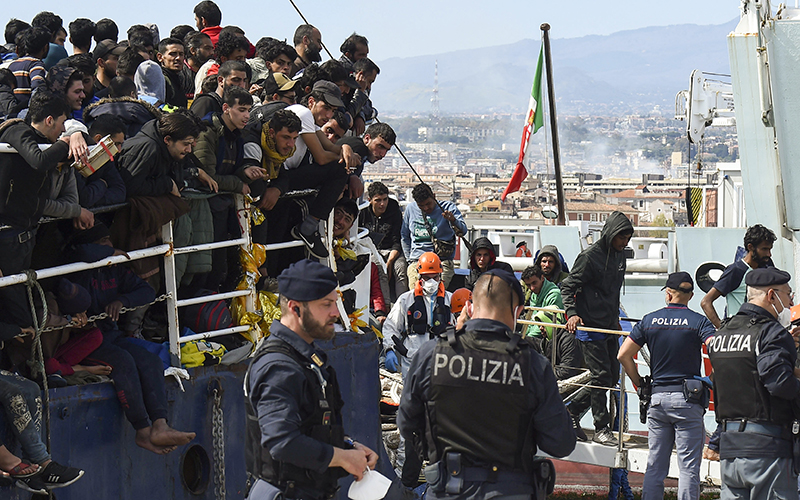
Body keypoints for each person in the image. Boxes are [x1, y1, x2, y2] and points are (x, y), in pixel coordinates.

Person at [397, 269, 576, 500]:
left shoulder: (431, 355)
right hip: (511, 490)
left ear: (469, 308)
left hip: (447, 489)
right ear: (517, 311)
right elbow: (560, 444)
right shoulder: (533, 366)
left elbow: (406, 424)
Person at [244, 259, 378, 500]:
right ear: (295, 308)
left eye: (335, 303)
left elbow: (308, 426)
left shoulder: (306, 359)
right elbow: (281, 441)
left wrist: (347, 447)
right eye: (326, 305)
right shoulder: (278, 368)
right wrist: (343, 458)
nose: (336, 313)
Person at [617, 271, 715, 499]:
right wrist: (711, 380)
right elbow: (716, 349)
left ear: (669, 294)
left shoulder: (649, 320)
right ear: (690, 295)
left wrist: (639, 382)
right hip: (688, 401)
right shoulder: (699, 322)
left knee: (655, 467)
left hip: (658, 400)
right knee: (688, 468)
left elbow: (623, 354)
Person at [707, 267, 800, 500]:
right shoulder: (772, 334)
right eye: (788, 295)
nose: (790, 303)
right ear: (771, 296)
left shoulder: (722, 334)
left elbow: (730, 383)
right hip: (768, 451)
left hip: (731, 451)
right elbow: (779, 383)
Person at [561, 211, 633, 445]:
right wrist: (572, 313)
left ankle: (571, 409)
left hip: (610, 325)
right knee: (601, 375)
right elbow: (567, 286)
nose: (625, 243)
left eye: (628, 238)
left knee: (611, 377)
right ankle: (601, 427)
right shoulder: (589, 257)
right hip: (590, 327)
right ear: (611, 234)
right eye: (622, 238)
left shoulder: (620, 257)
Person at [382, 252, 454, 378]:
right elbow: (391, 327)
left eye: (435, 277)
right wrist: (389, 349)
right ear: (419, 276)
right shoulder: (406, 299)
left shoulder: (451, 299)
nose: (431, 281)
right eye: (426, 278)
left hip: (443, 360)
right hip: (412, 359)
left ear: (440, 275)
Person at [701, 224, 776, 329]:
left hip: (759, 334)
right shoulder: (736, 271)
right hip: (739, 335)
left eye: (770, 249)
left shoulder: (766, 270)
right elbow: (706, 302)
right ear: (750, 247)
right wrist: (724, 330)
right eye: (764, 249)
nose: (769, 254)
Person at [402, 183, 467, 289]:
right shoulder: (410, 209)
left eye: (428, 204)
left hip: (442, 261)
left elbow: (463, 230)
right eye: (421, 206)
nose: (426, 208)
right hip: (417, 261)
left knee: (438, 294)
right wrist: (409, 259)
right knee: (415, 295)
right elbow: (405, 236)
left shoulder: (447, 208)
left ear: (434, 196)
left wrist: (453, 220)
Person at [359, 182, 408, 299]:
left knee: (400, 268)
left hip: (392, 250)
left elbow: (397, 238)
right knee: (381, 269)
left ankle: (403, 305)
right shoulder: (363, 212)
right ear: (370, 200)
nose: (382, 204)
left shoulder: (393, 210)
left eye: (385, 199)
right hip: (372, 250)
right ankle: (385, 306)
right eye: (378, 200)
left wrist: (390, 261)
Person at [8, 26, 50, 106]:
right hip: (26, 113)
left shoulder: (12, 65)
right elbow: (37, 85)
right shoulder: (36, 64)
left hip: (12, 111)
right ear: (45, 47)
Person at [521, 264, 564, 337]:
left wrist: (526, 338)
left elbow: (547, 325)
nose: (532, 288)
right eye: (528, 285)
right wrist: (522, 335)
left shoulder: (554, 295)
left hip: (551, 338)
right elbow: (531, 322)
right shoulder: (535, 294)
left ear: (542, 278)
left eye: (534, 283)